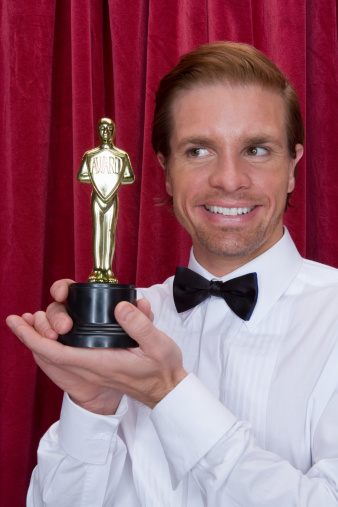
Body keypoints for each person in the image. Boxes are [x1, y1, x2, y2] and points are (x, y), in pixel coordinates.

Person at [6, 42, 338, 506]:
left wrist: (168, 393)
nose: (228, 178)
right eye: (199, 150)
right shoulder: (131, 322)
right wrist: (91, 406)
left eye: (257, 149)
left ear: (293, 168)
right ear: (165, 171)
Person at [78, 117, 135, 283]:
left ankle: (107, 269)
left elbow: (129, 177)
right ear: (98, 131)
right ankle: (97, 269)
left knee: (109, 232)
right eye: (102, 129)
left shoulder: (121, 155)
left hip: (111, 197)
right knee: (98, 232)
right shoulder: (90, 155)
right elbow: (82, 176)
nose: (105, 132)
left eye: (108, 129)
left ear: (113, 132)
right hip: (97, 197)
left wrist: (113, 179)